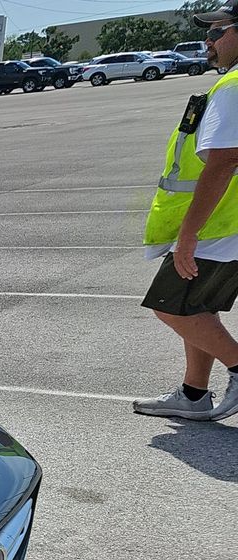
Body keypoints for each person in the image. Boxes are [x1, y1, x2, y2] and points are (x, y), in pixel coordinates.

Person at [136, 1, 238, 422]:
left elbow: (225, 161)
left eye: (217, 31)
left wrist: (189, 235)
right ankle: (194, 394)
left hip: (216, 228)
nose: (208, 40)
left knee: (170, 306)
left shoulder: (232, 86)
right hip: (223, 226)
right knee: (198, 308)